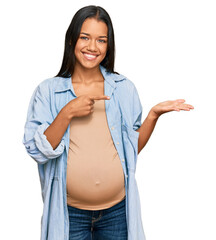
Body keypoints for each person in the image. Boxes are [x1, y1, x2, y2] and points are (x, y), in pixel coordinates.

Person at [22, 5, 194, 240]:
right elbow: (37, 151)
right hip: (70, 214)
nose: (92, 47)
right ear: (72, 39)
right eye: (85, 37)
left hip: (117, 213)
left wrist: (153, 115)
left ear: (108, 45)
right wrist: (68, 112)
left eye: (101, 40)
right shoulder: (48, 92)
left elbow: (131, 150)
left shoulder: (124, 89)